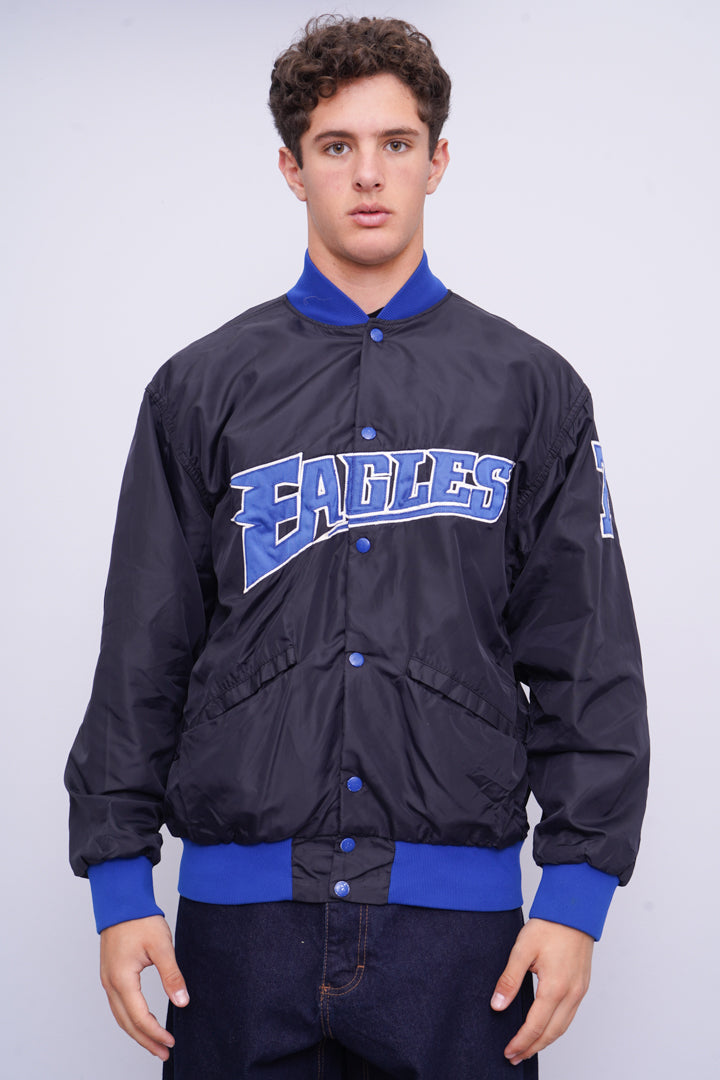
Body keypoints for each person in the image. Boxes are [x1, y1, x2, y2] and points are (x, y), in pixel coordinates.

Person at [65, 15, 649, 1079]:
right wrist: (117, 882)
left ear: (438, 160)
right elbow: (143, 649)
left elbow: (587, 656)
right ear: (293, 168)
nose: (369, 174)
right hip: (240, 934)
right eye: (336, 146)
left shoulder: (532, 390)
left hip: (458, 945)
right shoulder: (200, 388)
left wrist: (576, 895)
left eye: (396, 143)